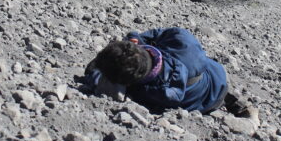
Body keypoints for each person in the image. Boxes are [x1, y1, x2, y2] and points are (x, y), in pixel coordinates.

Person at [82, 26, 254, 117]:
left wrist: (94, 72)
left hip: (201, 105)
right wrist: (137, 39)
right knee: (200, 68)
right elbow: (159, 33)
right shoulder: (183, 42)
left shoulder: (141, 92)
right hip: (217, 76)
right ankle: (231, 99)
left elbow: (98, 82)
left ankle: (225, 102)